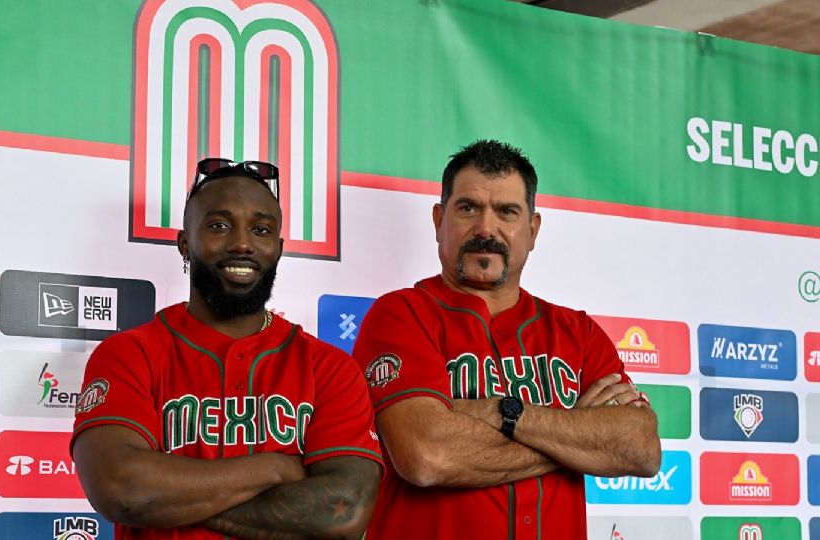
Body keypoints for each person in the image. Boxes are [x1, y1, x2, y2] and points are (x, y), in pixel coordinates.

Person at [352, 140, 661, 539]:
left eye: (506, 212)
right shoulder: (401, 315)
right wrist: (577, 438)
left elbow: (641, 448)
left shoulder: (578, 332)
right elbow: (426, 455)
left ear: (532, 230)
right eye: (468, 208)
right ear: (438, 221)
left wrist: (503, 411)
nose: (486, 229)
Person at [72, 158, 383, 540]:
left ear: (278, 248)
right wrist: (275, 469)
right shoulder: (128, 354)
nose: (241, 243)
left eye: (261, 229)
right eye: (219, 225)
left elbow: (344, 512)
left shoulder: (329, 367)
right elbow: (124, 491)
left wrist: (174, 502)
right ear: (185, 244)